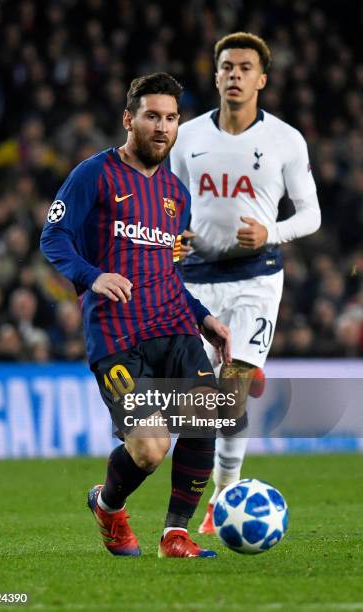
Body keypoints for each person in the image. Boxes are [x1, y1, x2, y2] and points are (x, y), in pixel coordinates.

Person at [40, 72, 235, 558]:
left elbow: (164, 274)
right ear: (129, 119)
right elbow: (53, 237)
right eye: (152, 116)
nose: (162, 126)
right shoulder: (94, 174)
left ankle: (175, 533)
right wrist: (91, 276)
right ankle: (108, 506)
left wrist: (204, 317)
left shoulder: (176, 196)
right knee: (150, 447)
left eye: (171, 118)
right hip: (117, 336)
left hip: (173, 327)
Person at [170, 33, 321, 534]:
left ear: (262, 79)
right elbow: (167, 199)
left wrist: (270, 232)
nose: (234, 75)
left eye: (244, 68)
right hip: (196, 281)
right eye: (226, 67)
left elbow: (312, 214)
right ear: (215, 77)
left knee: (229, 392)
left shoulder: (285, 140)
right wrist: (172, 234)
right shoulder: (188, 136)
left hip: (256, 278)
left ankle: (222, 495)